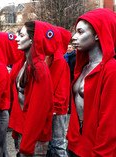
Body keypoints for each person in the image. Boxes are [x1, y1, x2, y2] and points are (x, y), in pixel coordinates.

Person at [67, 8, 116, 156]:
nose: (74, 37)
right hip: (75, 146)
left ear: (97, 34)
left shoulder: (111, 69)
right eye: (75, 31)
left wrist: (101, 153)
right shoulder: (83, 68)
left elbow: (110, 122)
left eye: (81, 32)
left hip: (95, 150)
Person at [9, 20, 60, 156]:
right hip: (25, 132)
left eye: (21, 35)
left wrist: (27, 144)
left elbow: (38, 110)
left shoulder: (39, 68)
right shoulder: (26, 64)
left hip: (33, 138)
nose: (16, 39)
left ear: (33, 39)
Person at [46, 27, 71, 157]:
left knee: (57, 144)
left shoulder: (59, 61)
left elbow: (62, 88)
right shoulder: (50, 59)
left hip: (57, 111)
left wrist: (55, 107)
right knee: (51, 145)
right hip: (51, 109)